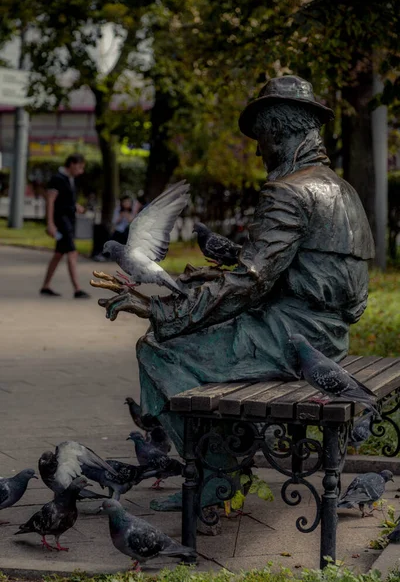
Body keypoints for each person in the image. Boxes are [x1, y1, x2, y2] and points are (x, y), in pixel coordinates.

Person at [96, 75, 375, 509]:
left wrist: (160, 310)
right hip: (328, 335)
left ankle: (215, 474)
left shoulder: (290, 192)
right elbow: (297, 277)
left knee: (157, 349)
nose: (259, 150)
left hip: (292, 336)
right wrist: (193, 284)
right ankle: (226, 454)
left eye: (261, 139)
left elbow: (249, 282)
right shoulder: (341, 189)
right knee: (191, 337)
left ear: (278, 131)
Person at [40, 153, 90, 298]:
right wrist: (50, 223)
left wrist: (75, 206)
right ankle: (77, 289)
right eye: (80, 167)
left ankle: (45, 286)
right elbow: (51, 201)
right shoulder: (57, 179)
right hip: (62, 222)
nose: (81, 171)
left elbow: (64, 200)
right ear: (72, 164)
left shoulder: (69, 180)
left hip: (68, 220)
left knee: (58, 255)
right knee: (72, 253)